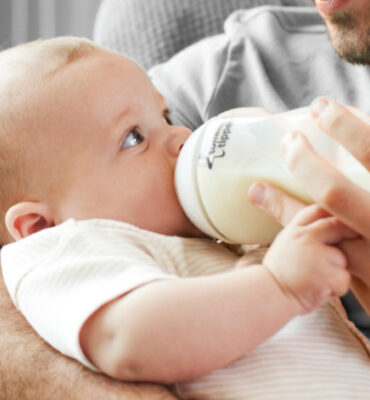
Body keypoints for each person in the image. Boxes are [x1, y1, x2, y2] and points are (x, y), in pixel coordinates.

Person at [0, 2, 368, 399]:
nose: (182, 138)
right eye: (133, 138)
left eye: (166, 116)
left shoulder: (194, 235)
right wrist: (279, 285)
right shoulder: (72, 253)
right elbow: (129, 339)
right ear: (39, 227)